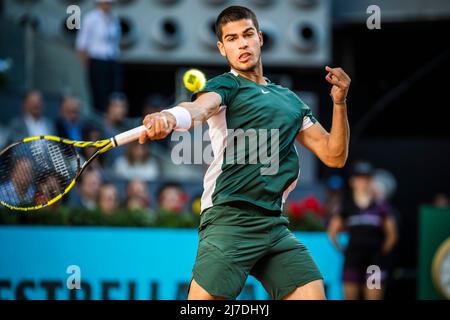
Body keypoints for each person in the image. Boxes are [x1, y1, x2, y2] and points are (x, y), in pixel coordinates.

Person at [139, 6, 351, 300]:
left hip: (274, 225)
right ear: (222, 48)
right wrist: (170, 116)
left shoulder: (290, 101)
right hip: (229, 220)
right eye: (232, 38)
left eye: (248, 35)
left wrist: (339, 104)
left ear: (260, 38)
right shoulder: (226, 85)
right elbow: (199, 109)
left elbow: (334, 155)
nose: (242, 43)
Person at [327, 161, 398, 300]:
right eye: (359, 178)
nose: (362, 182)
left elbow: (392, 235)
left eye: (366, 178)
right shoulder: (347, 206)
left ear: (371, 181)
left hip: (374, 262)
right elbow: (332, 231)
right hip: (352, 261)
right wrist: (343, 250)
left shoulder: (381, 207)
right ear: (352, 181)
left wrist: (380, 252)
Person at [75, 0, 122, 112]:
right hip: (97, 60)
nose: (108, 6)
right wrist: (88, 64)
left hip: (112, 60)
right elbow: (81, 45)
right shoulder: (90, 19)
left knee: (115, 93)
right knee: (99, 93)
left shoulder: (114, 19)